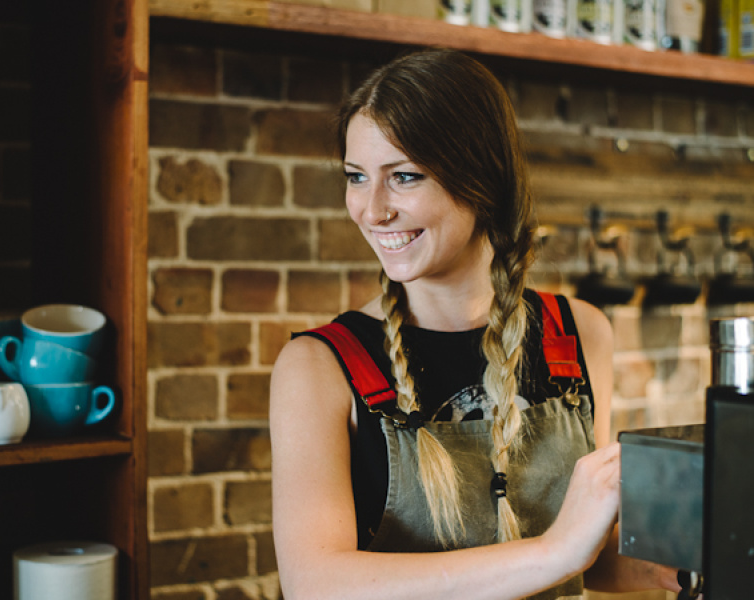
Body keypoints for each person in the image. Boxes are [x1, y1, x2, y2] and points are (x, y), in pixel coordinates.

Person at [269, 48, 682, 599]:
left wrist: (683, 570)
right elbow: (317, 585)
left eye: (404, 177)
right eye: (357, 177)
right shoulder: (319, 367)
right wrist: (553, 550)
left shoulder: (579, 333)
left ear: (481, 178)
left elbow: (586, 555)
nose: (371, 210)